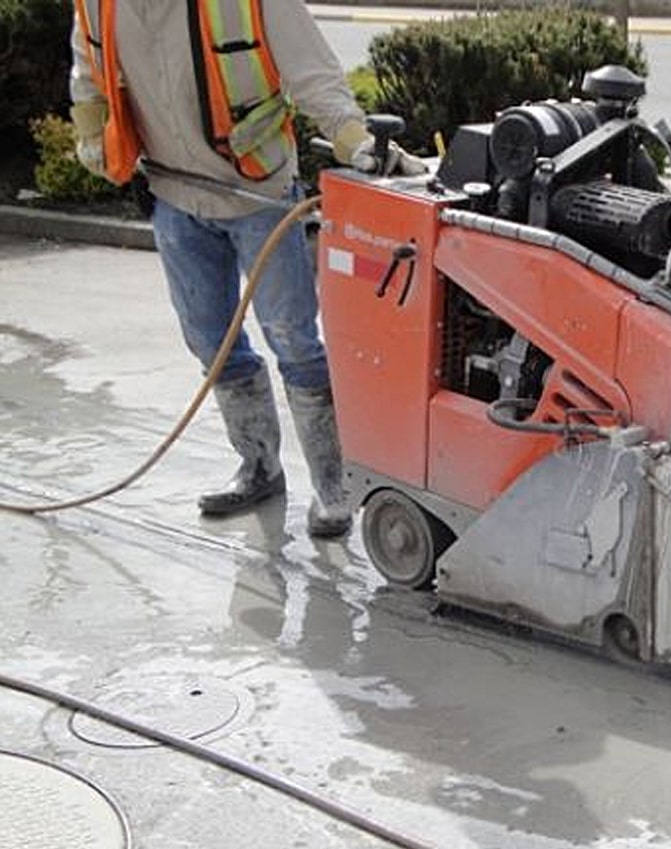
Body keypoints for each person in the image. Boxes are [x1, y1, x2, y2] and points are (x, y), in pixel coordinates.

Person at [68, 0, 424, 538]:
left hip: (259, 198)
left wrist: (354, 140)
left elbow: (314, 75)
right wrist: (90, 125)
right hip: (173, 195)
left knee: (295, 341)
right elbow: (87, 69)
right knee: (211, 343)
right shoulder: (98, 5)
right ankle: (259, 466)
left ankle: (333, 487)